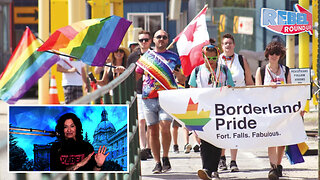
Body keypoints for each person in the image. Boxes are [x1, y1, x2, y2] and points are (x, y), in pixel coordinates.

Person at [136, 30, 186, 174]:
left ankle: (165, 157)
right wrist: (122, 73)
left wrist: (179, 76)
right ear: (153, 40)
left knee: (165, 127)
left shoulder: (174, 57)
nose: (162, 39)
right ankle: (157, 162)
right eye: (159, 37)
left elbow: (182, 79)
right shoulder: (146, 57)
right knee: (152, 130)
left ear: (167, 40)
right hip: (148, 97)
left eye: (165, 37)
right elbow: (136, 76)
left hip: (167, 97)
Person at [188, 42, 234, 180]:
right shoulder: (197, 71)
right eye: (209, 58)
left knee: (216, 140)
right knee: (204, 140)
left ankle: (213, 170)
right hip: (202, 111)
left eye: (214, 58)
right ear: (203, 57)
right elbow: (191, 90)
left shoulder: (224, 70)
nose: (212, 61)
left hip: (220, 110)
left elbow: (231, 88)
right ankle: (207, 168)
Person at [218, 33, 254, 172]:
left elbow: (249, 81)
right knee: (222, 128)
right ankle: (222, 158)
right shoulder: (218, 60)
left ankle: (233, 160)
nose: (228, 45)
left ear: (234, 45)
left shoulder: (241, 59)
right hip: (222, 100)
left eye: (230, 43)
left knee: (235, 129)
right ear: (222, 46)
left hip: (239, 100)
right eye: (225, 43)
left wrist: (253, 96)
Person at [255, 41, 291, 180]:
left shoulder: (286, 70)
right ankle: (273, 168)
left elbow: (291, 90)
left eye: (277, 53)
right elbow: (256, 91)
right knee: (271, 138)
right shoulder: (262, 71)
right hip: (267, 111)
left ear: (280, 55)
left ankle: (278, 164)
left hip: (283, 110)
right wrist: (267, 87)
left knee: (281, 141)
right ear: (267, 54)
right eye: (271, 53)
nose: (274, 56)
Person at [127, 30, 153, 160]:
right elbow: (128, 75)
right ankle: (143, 147)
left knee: (151, 123)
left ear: (150, 41)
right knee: (141, 121)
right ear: (138, 42)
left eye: (146, 40)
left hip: (152, 93)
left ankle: (149, 147)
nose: (144, 42)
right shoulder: (133, 57)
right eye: (141, 40)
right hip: (138, 92)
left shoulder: (154, 55)